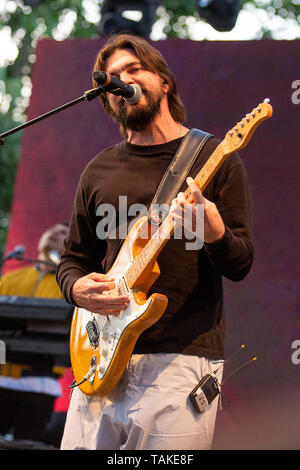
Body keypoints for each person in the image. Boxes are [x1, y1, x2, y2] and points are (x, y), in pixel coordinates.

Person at [57, 33, 253, 450]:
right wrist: (76, 289)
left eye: (133, 70)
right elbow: (73, 260)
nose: (121, 81)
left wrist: (214, 231)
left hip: (178, 362)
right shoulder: (98, 170)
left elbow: (241, 264)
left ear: (164, 81)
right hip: (98, 355)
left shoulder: (214, 158)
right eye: (111, 77)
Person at [0, 223, 69, 444]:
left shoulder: (69, 287)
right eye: (52, 230)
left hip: (39, 384)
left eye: (63, 234)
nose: (53, 234)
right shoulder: (10, 278)